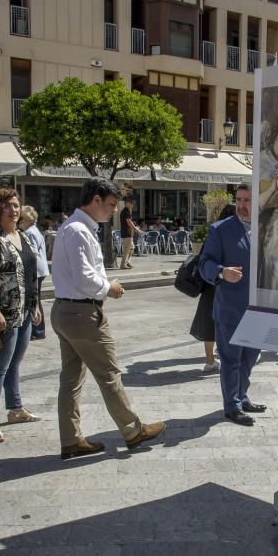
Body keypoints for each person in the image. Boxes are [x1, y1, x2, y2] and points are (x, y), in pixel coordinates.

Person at [51, 177, 165, 459]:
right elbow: (85, 277)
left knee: (71, 378)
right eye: (111, 205)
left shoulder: (73, 227)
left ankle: (71, 439)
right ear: (96, 200)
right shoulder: (78, 230)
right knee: (109, 375)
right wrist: (108, 288)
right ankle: (132, 429)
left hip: (66, 310)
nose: (114, 211)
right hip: (81, 312)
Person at [0, 188, 43, 443]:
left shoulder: (24, 238)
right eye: (8, 206)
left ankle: (15, 408)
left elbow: (32, 275)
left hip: (25, 310)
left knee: (14, 364)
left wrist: (36, 305)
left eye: (16, 205)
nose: (13, 210)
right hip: (4, 312)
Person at [200, 183, 265, 426]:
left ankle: (242, 397)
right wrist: (220, 272)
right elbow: (205, 262)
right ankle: (232, 407)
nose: (241, 205)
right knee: (231, 359)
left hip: (258, 311)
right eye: (238, 199)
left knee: (249, 359)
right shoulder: (220, 230)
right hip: (230, 309)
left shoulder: (264, 229)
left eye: (247, 200)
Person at [191, 204, 235, 373]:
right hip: (225, 284)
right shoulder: (232, 235)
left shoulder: (214, 232)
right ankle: (224, 356)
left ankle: (210, 360)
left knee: (209, 321)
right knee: (229, 321)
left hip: (210, 283)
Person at [20, 205, 50, 340]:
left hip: (36, 270)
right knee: (36, 298)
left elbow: (32, 254)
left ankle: (37, 329)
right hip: (40, 268)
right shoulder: (34, 231)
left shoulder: (30, 233)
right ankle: (38, 329)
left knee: (35, 299)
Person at [119, 199, 142, 269]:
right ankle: (123, 264)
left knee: (132, 248)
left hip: (128, 233)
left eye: (133, 203)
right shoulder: (125, 211)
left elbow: (130, 222)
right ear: (127, 203)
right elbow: (129, 222)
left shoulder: (127, 211)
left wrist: (134, 228)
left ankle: (127, 262)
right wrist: (136, 229)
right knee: (127, 249)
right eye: (131, 203)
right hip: (126, 233)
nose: (132, 205)